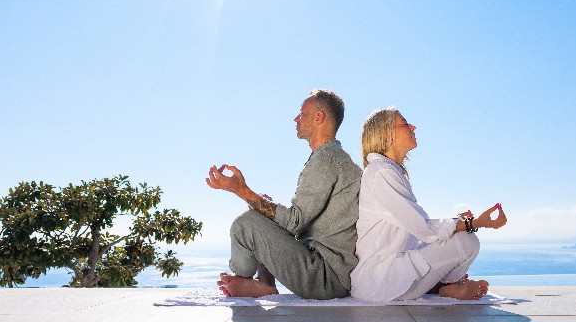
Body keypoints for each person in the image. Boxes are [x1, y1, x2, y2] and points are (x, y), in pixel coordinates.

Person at [205, 89, 362, 300]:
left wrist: (241, 191)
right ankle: (265, 284)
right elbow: (299, 220)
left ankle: (240, 276)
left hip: (325, 277)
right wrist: (258, 203)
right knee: (261, 212)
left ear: (318, 117)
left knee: (246, 223)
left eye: (302, 113)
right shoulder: (331, 157)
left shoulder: (327, 161)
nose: (296, 118)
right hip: (327, 272)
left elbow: (294, 222)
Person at [350, 108, 507, 302]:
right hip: (382, 283)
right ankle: (447, 286)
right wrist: (472, 223)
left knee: (462, 235)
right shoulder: (381, 172)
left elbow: (416, 231)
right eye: (405, 124)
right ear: (386, 133)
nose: (413, 127)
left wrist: (457, 224)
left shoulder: (387, 171)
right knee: (467, 240)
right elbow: (422, 227)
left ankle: (443, 287)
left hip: (389, 276)